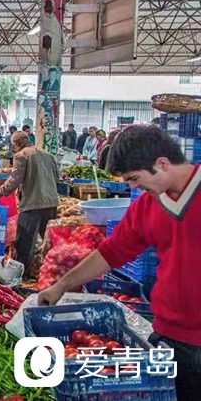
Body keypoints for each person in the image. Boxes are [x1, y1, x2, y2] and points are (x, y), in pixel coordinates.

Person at [38, 125, 201, 400]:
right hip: (169, 336)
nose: (133, 187)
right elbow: (110, 253)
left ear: (162, 164)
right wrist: (61, 286)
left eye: (135, 178)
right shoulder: (146, 207)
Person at [0, 131, 59, 276]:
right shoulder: (47, 154)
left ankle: (21, 275)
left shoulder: (22, 155)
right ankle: (50, 272)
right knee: (49, 241)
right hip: (51, 202)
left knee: (25, 242)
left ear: (17, 143)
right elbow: (57, 177)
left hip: (32, 204)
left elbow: (14, 180)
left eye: (13, 144)